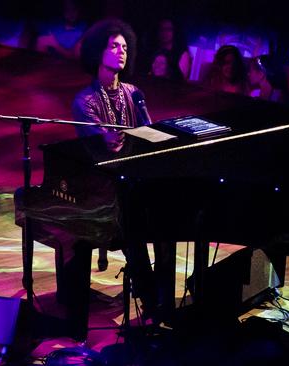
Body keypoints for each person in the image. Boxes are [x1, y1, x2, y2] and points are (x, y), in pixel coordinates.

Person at [71, 19, 173, 322]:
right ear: (97, 51)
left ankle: (164, 296)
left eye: (125, 47)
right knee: (134, 224)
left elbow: (150, 135)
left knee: (169, 219)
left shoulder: (134, 92)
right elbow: (108, 146)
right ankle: (150, 297)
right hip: (103, 188)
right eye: (114, 46)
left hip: (136, 180)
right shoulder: (84, 101)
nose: (121, 52)